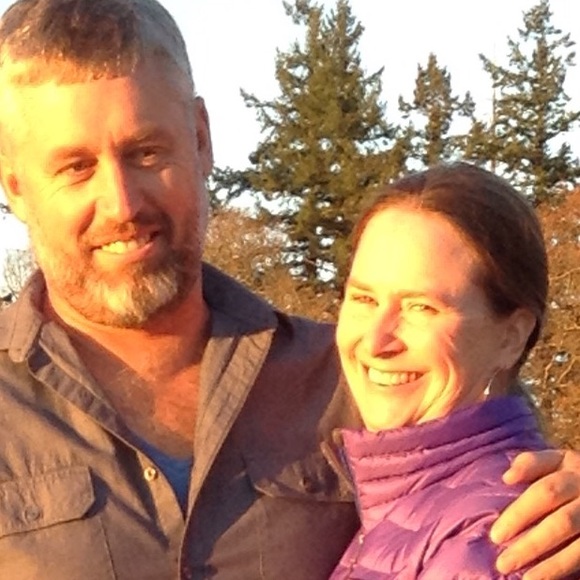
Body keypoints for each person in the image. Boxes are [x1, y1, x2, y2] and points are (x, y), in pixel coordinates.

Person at [0, 0, 577, 578]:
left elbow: (487, 456)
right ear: (16, 186)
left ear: (201, 138)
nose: (122, 204)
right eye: (75, 167)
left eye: (146, 152)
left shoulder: (353, 379)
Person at [327, 163, 570, 579]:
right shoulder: (404, 503)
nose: (375, 341)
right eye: (364, 299)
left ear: (511, 337)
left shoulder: (502, 536)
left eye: (421, 308)